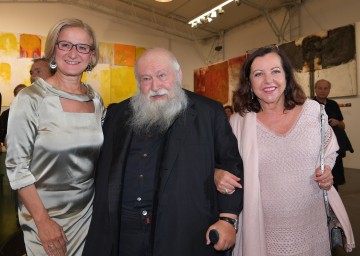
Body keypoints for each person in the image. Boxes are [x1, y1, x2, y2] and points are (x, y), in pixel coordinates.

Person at [82, 48, 244, 256]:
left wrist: (228, 219)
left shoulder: (208, 112)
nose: (155, 86)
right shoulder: (117, 115)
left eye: (161, 75)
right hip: (124, 233)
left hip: (181, 232)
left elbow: (231, 166)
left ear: (178, 76)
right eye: (146, 79)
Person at [214, 46, 355, 255]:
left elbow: (329, 150)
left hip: (312, 227)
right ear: (249, 83)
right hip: (263, 232)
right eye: (258, 74)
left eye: (275, 71)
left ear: (287, 77)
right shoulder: (239, 122)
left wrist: (326, 172)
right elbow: (222, 162)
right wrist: (217, 174)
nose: (268, 80)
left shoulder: (313, 112)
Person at [6, 18, 106, 256]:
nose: (74, 53)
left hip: (88, 215)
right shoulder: (31, 99)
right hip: (43, 216)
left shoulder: (96, 100)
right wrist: (43, 222)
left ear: (91, 56)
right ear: (53, 50)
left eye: (82, 47)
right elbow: (17, 168)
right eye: (65, 45)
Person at [314, 79, 354, 190]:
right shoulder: (310, 105)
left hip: (335, 147)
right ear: (315, 89)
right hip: (319, 146)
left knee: (335, 175)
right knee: (320, 174)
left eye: (325, 88)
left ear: (329, 90)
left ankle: (334, 197)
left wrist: (337, 122)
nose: (322, 91)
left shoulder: (333, 104)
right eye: (320, 88)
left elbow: (343, 125)